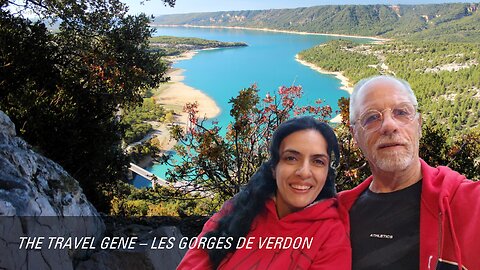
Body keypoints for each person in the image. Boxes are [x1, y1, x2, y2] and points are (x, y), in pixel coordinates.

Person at [338, 75, 480, 270]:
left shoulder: (470, 203)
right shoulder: (335, 217)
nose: (389, 125)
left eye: (401, 112)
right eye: (372, 117)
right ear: (355, 136)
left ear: (419, 125)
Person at [178, 116, 351, 269]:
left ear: (327, 172)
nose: (304, 172)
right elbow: (195, 261)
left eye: (318, 161)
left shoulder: (331, 236)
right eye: (291, 158)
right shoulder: (242, 205)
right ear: (274, 167)